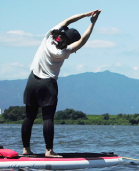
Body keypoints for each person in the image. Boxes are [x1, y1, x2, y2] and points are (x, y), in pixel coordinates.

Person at [22, 9, 101, 157]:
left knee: (29, 116)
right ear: (71, 41)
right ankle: (49, 151)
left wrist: (85, 15)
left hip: (32, 81)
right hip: (47, 84)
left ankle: (26, 150)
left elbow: (67, 20)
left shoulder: (49, 35)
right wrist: (92, 23)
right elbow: (83, 40)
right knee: (47, 118)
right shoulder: (63, 52)